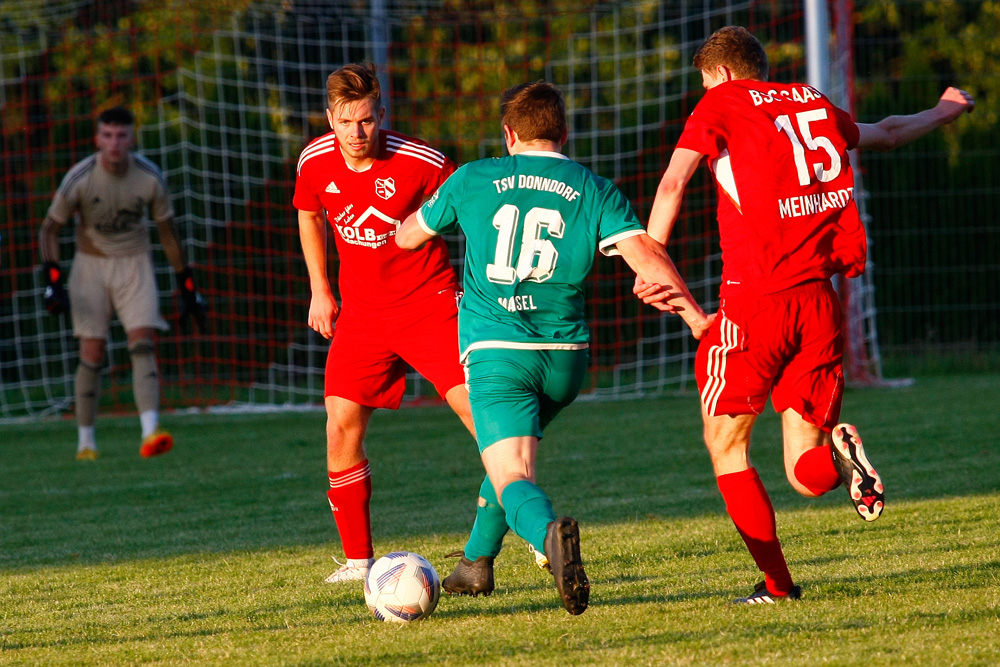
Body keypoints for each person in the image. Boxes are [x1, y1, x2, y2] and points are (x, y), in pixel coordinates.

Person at [638, 26, 975, 604]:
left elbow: (672, 183)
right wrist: (945, 110)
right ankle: (840, 454)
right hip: (819, 303)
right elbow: (889, 134)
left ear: (718, 76)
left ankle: (779, 587)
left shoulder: (721, 102)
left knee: (728, 450)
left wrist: (651, 259)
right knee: (804, 472)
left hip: (755, 303)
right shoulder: (812, 102)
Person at [396, 81, 712, 615]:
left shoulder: (472, 177)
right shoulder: (593, 187)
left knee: (513, 473)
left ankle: (549, 539)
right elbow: (647, 258)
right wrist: (698, 320)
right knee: (509, 458)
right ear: (564, 132)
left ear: (509, 133)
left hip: (499, 354)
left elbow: (409, 236)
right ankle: (475, 564)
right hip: (566, 361)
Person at [293, 63, 476, 585]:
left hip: (430, 306)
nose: (356, 133)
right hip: (363, 316)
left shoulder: (424, 162)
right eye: (346, 121)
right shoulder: (314, 161)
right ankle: (358, 562)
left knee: (483, 418)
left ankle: (536, 534)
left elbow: (475, 213)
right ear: (330, 118)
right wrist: (320, 288)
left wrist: (480, 290)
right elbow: (309, 213)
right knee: (339, 425)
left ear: (383, 115)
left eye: (367, 120)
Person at [39, 106, 206, 461]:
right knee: (92, 353)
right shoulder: (80, 177)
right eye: (108, 135)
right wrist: (52, 278)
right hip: (90, 266)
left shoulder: (149, 177)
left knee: (142, 343)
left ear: (132, 138)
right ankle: (86, 443)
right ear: (98, 138)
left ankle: (150, 433)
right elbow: (50, 229)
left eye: (121, 135)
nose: (115, 143)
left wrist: (186, 282)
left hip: (135, 264)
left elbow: (168, 233)